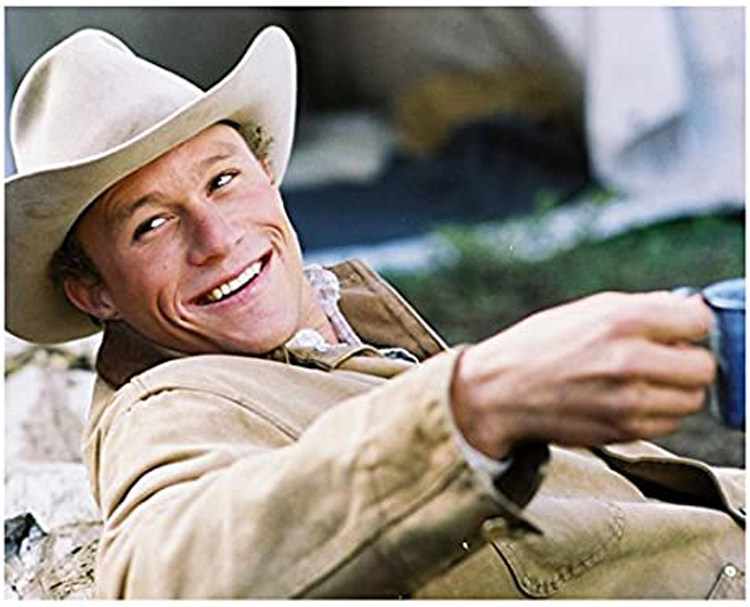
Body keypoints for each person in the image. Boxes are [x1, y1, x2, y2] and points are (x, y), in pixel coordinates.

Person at [6, 26, 744, 599]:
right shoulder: (172, 406)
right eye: (152, 225)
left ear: (267, 173)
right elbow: (166, 576)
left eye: (223, 180)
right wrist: (473, 406)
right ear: (95, 292)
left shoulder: (343, 320)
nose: (217, 238)